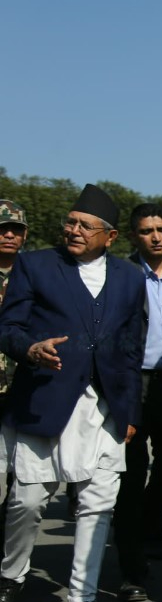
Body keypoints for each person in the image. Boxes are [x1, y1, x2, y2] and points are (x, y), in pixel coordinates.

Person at [0, 184, 145, 602]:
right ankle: (10, 576)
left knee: (99, 503)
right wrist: (30, 348)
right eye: (70, 221)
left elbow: (131, 348)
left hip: (104, 407)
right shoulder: (36, 264)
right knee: (27, 499)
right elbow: (7, 327)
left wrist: (131, 411)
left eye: (85, 225)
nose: (73, 229)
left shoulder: (129, 277)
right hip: (45, 398)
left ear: (111, 235)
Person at [112, 203, 162, 602]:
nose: (155, 236)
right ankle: (132, 570)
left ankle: (151, 513)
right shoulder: (120, 273)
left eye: (161, 229)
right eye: (147, 231)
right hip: (131, 383)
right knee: (130, 472)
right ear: (134, 236)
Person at [0, 199, 28, 529]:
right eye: (2, 229)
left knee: (19, 473)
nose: (8, 234)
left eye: (15, 229)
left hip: (21, 385)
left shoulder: (34, 274)